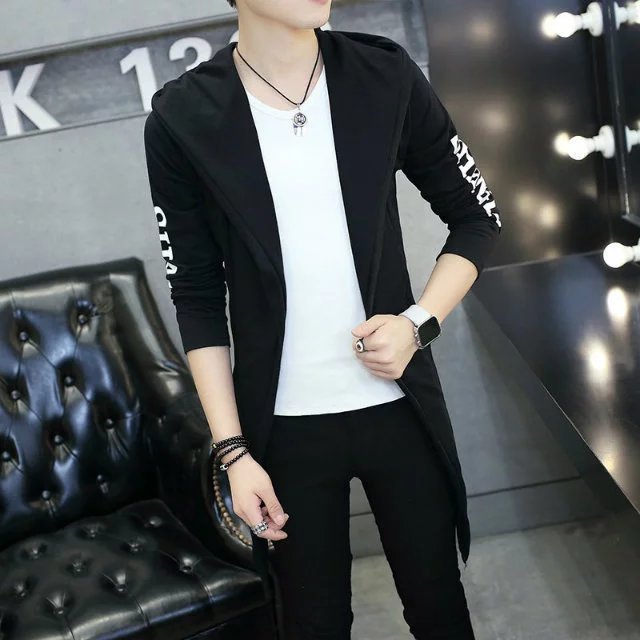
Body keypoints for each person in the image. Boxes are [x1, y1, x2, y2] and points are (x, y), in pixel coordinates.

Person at [143, 1, 502, 638]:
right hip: (282, 435)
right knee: (313, 625)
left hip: (400, 410)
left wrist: (418, 323)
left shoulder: (381, 75)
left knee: (441, 613)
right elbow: (195, 295)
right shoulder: (184, 116)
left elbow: (477, 216)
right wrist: (233, 453)